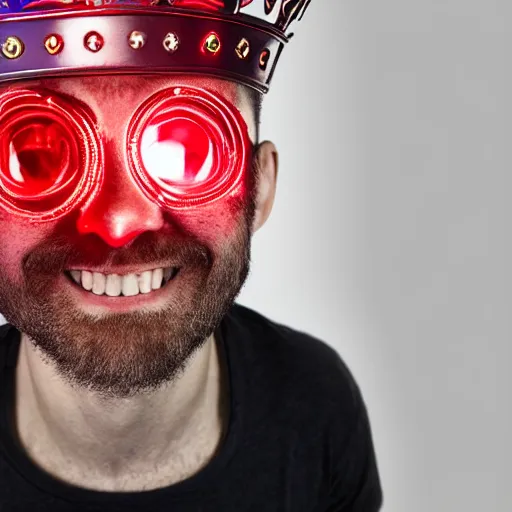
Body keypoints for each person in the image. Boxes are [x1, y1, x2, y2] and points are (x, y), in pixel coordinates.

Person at [0, 0, 382, 510]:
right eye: (35, 153)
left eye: (189, 143)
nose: (117, 223)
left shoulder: (319, 406)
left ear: (261, 186)